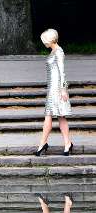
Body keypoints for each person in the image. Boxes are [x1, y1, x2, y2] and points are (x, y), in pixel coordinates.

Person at [34, 29, 74, 157]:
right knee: (59, 116)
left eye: (44, 40)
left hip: (57, 89)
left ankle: (43, 143)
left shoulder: (59, 52)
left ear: (49, 40)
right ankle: (67, 143)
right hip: (52, 88)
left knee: (51, 116)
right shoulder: (54, 51)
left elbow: (62, 72)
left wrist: (63, 89)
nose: (43, 43)